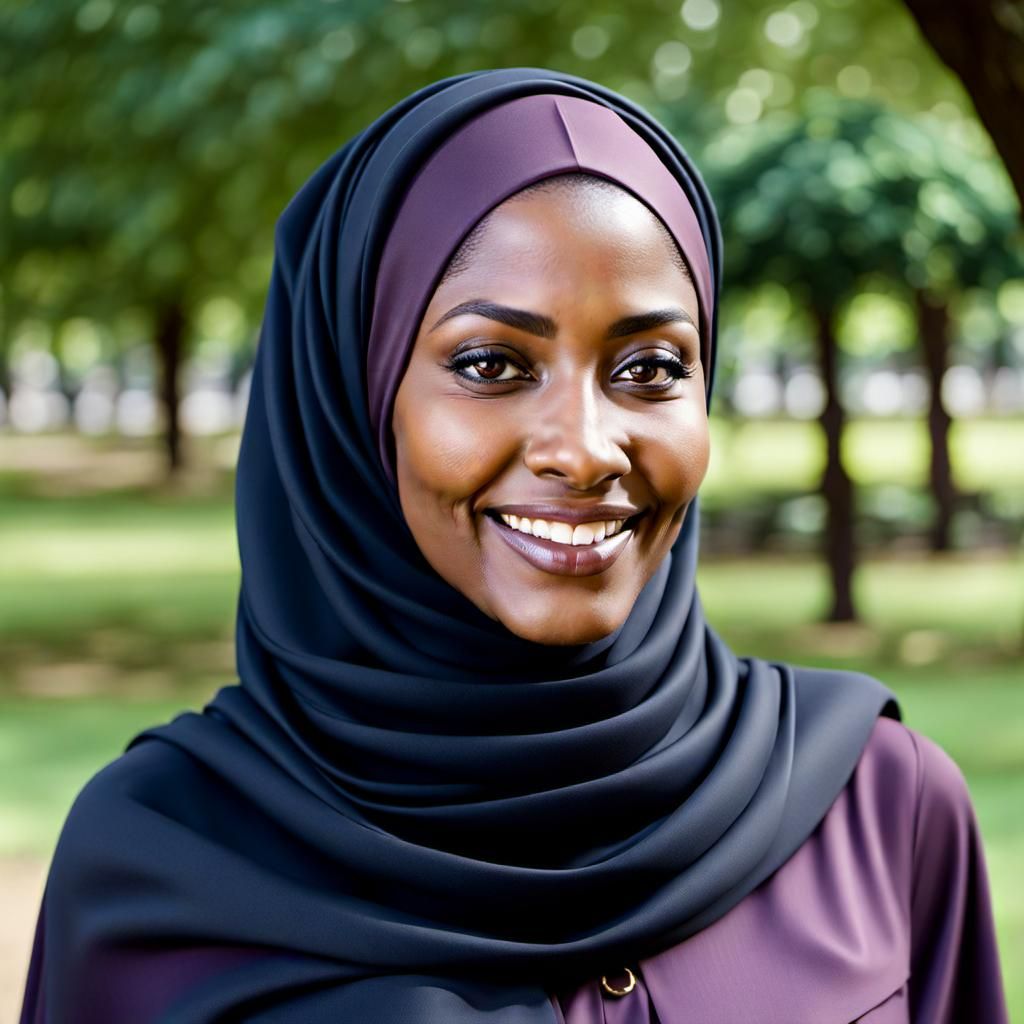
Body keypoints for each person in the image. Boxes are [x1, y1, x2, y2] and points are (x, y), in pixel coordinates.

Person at [20, 67, 1006, 1024]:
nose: (581, 450)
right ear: (356, 405)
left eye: (651, 367)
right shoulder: (155, 866)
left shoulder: (880, 809)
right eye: (491, 363)